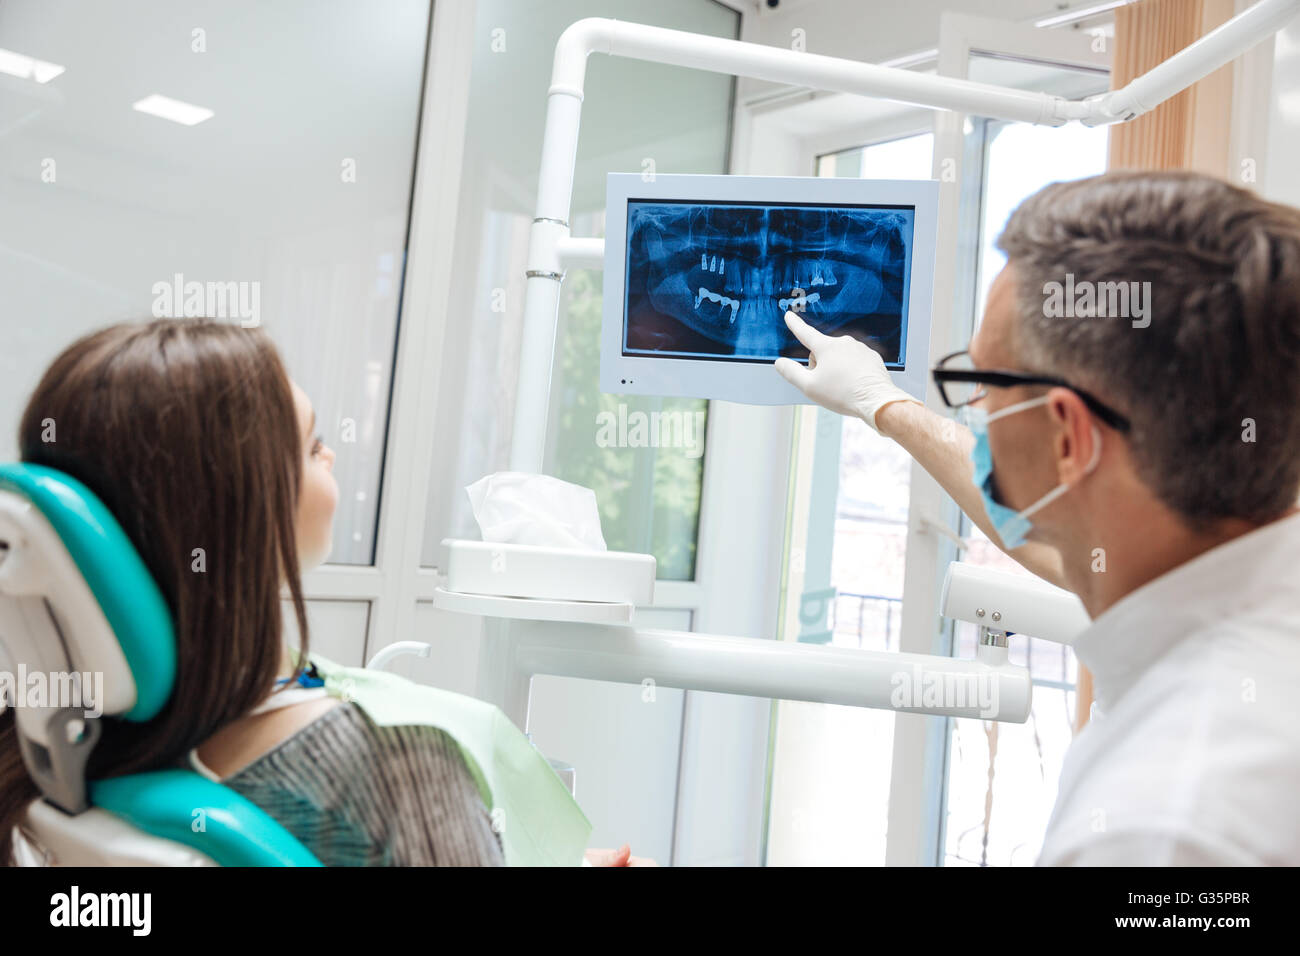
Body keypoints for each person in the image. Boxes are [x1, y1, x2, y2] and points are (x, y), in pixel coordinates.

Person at [776, 169, 1300, 865]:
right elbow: (1067, 545)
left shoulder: (1162, 828)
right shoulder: (1223, 577)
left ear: (1067, 439)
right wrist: (884, 405)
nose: (977, 412)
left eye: (982, 383)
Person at [0, 319, 651, 866]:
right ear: (239, 516)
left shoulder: (91, 747)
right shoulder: (389, 767)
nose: (332, 457)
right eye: (312, 446)